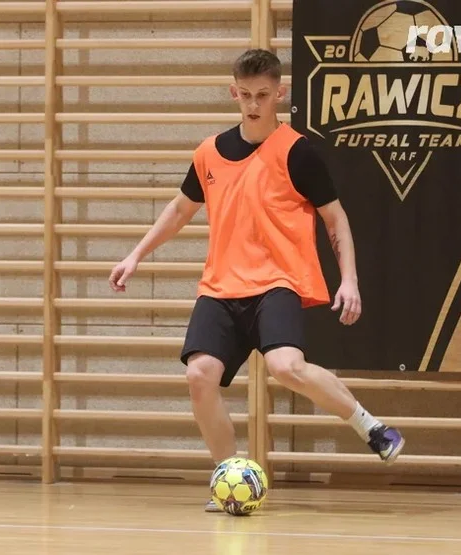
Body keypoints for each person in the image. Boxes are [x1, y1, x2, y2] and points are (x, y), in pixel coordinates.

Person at [109, 48, 405, 511]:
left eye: (262, 95)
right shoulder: (209, 152)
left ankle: (371, 427)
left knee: (286, 367)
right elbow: (180, 210)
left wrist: (349, 280)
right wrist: (135, 255)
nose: (253, 104)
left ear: (279, 94)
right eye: (245, 95)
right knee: (199, 375)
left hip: (276, 282)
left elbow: (336, 219)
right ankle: (228, 477)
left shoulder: (298, 152)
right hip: (221, 287)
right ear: (233, 93)